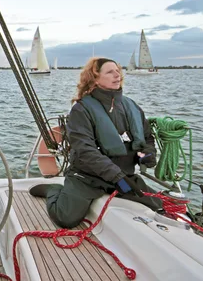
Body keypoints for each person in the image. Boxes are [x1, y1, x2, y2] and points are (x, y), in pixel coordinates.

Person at [29, 57, 161, 229]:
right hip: (87, 177)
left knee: (159, 206)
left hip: (124, 176)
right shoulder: (81, 110)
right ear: (95, 79)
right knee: (66, 219)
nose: (117, 75)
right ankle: (53, 190)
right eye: (109, 72)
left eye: (117, 71)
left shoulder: (132, 106)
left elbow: (147, 137)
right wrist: (116, 176)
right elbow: (85, 150)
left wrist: (149, 154)